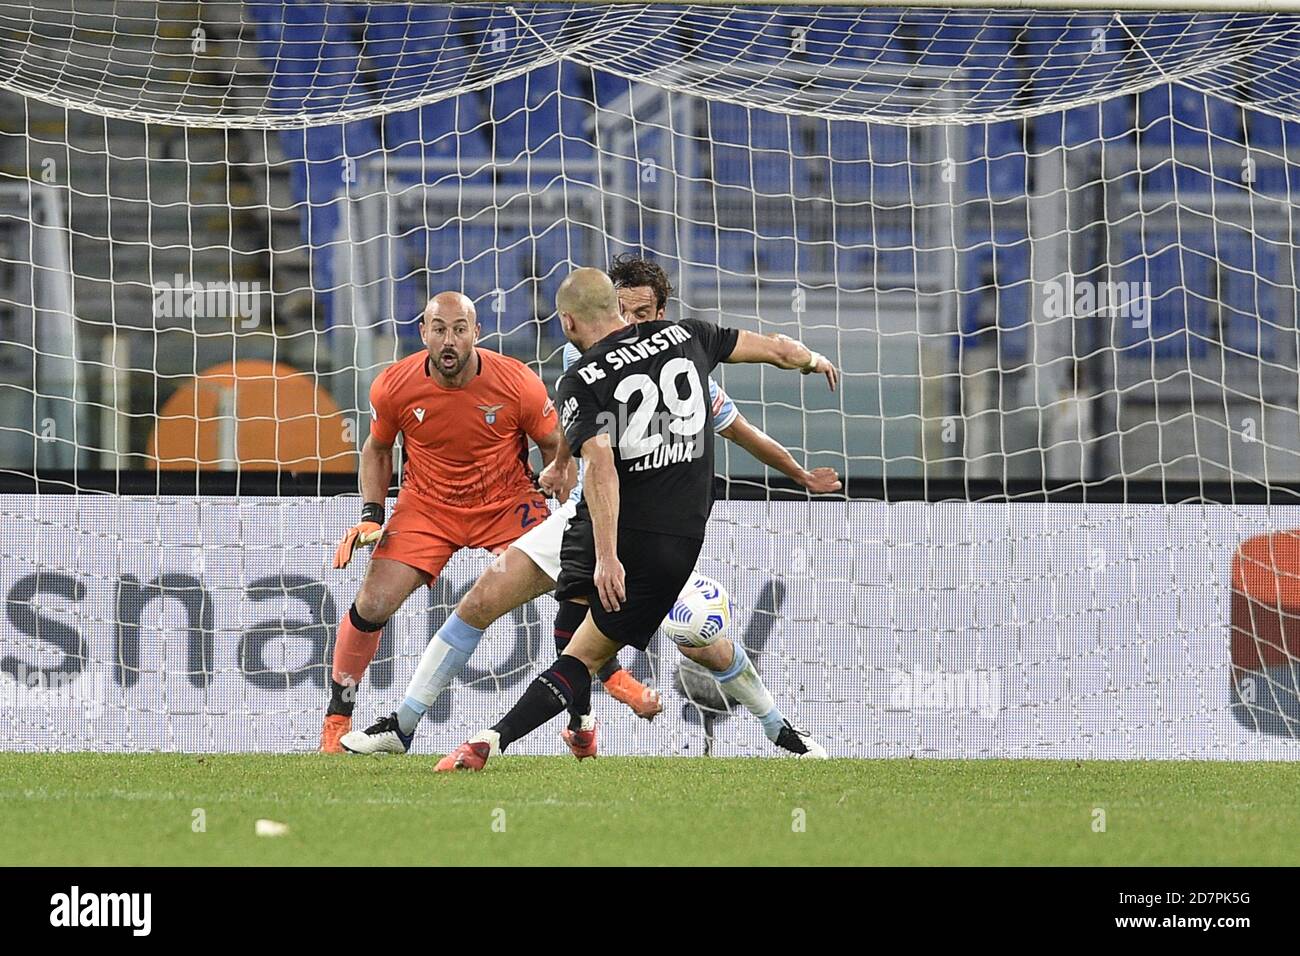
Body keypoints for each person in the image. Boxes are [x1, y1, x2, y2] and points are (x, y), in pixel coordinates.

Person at [340, 259, 840, 759]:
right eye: (626, 309)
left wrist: (796, 474)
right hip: (592, 517)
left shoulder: (661, 366)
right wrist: (560, 465)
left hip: (641, 530)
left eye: (643, 311)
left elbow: (728, 433)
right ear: (613, 309)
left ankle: (779, 729)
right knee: (481, 601)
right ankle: (403, 727)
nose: (633, 318)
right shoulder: (645, 352)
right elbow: (585, 440)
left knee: (696, 637)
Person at [320, 291, 561, 753]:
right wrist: (372, 514)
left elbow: (553, 444)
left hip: (506, 502)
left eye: (459, 329)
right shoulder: (394, 385)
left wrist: (552, 482)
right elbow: (376, 449)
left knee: (572, 581)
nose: (448, 340)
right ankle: (337, 719)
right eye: (439, 329)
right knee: (372, 603)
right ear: (423, 332)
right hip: (427, 507)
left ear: (477, 332)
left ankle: (587, 708)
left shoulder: (518, 382)